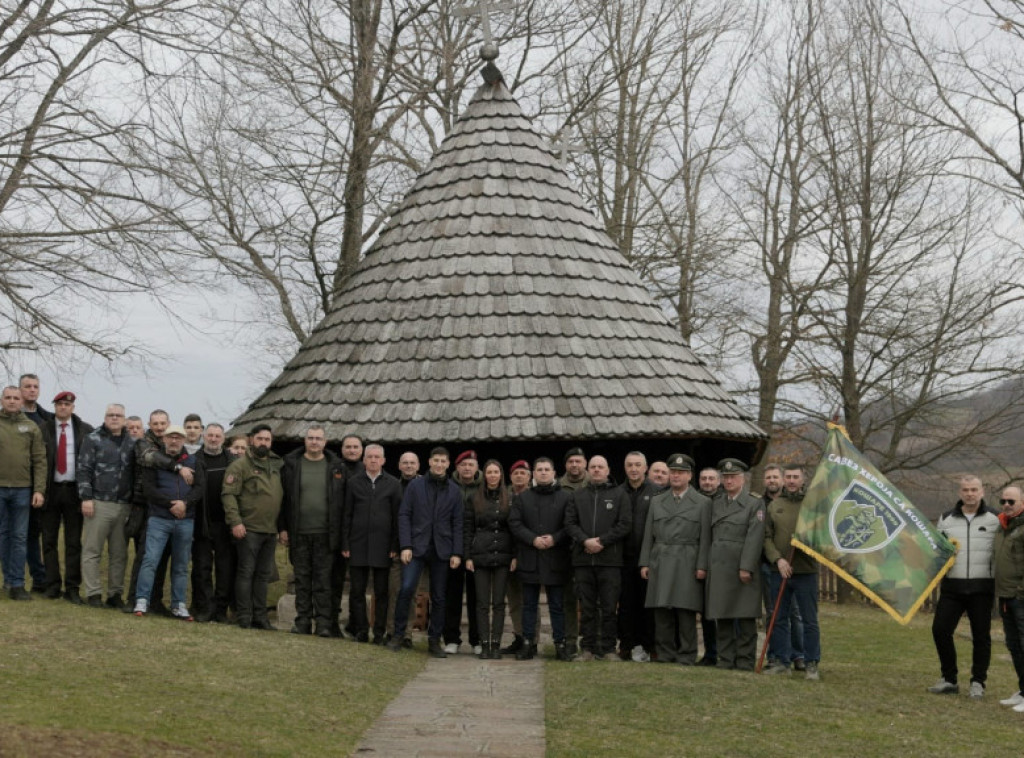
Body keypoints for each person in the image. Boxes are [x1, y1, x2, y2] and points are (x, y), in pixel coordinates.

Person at [387, 447, 463, 658]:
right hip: (417, 548)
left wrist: (457, 552)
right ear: (429, 462)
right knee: (406, 589)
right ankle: (399, 634)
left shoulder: (454, 490)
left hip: (442, 550)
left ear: (448, 464)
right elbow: (404, 515)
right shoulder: (415, 486)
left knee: (439, 596)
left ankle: (434, 640)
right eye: (436, 460)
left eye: (443, 461)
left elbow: (457, 523)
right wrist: (406, 546)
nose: (439, 464)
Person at [927, 475, 998, 698]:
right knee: (940, 630)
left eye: (974, 489)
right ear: (960, 493)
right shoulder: (946, 518)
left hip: (982, 587)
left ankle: (978, 682)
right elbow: (936, 549)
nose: (970, 493)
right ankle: (949, 679)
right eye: (965, 490)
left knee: (981, 636)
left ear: (982, 491)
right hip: (952, 587)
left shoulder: (995, 518)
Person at [639, 453, 709, 665]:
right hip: (660, 557)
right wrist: (644, 562)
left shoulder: (703, 502)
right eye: (673, 472)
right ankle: (665, 652)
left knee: (685, 609)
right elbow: (648, 533)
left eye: (681, 473)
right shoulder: (658, 501)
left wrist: (702, 565)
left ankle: (687, 653)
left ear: (689, 476)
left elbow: (706, 537)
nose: (676, 476)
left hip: (688, 559)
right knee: (661, 609)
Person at [124, 409, 193, 615]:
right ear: (150, 425)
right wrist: (177, 467)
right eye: (156, 424)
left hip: (164, 508)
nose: (160, 427)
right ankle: (134, 599)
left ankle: (155, 600)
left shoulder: (173, 446)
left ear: (169, 424)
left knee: (163, 556)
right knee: (145, 556)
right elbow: (151, 458)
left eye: (163, 423)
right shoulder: (143, 443)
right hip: (144, 505)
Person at [565, 455, 631, 661]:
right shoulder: (578, 495)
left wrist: (601, 541)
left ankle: (609, 648)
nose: (596, 470)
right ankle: (588, 648)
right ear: (587, 469)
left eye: (600, 467)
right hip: (583, 560)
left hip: (610, 560)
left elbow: (624, 524)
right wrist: (585, 541)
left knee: (610, 607)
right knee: (587, 607)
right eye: (592, 467)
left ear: (608, 470)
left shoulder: (620, 494)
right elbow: (570, 523)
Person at [281, 425, 345, 636]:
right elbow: (284, 499)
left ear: (325, 442)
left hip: (326, 534)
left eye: (318, 438)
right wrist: (283, 528)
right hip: (300, 533)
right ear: (305, 441)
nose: (314, 442)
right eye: (311, 438)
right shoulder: (292, 465)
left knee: (323, 581)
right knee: (302, 580)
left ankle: (324, 623)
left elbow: (343, 503)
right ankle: (303, 622)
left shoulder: (335, 466)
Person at [509, 457, 572, 661]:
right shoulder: (522, 498)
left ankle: (560, 644)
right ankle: (528, 643)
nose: (543, 472)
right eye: (539, 469)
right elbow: (515, 524)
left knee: (556, 605)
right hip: (530, 557)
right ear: (533, 474)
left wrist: (555, 538)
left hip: (556, 558)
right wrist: (532, 539)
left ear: (554, 473)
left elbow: (570, 525)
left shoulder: (565, 498)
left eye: (547, 469)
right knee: (528, 605)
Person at [222, 424, 285, 630]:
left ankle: (261, 617)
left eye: (267, 440)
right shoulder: (240, 466)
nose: (263, 443)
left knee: (263, 575)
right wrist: (236, 521)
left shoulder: (276, 465)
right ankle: (244, 616)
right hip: (248, 529)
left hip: (269, 530)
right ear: (251, 440)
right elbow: (229, 495)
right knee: (246, 572)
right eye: (260, 439)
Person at [763, 465, 821, 680]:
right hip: (779, 570)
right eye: (788, 477)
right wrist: (777, 559)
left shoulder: (813, 506)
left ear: (803, 479)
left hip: (806, 571)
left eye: (796, 477)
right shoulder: (775, 505)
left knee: (809, 620)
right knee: (778, 617)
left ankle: (812, 662)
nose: (791, 480)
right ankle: (781, 660)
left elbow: (822, 537)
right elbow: (766, 536)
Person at [706, 459, 764, 671]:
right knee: (723, 615)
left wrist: (746, 566)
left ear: (743, 479)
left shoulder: (754, 503)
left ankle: (745, 660)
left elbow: (754, 537)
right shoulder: (717, 502)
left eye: (733, 477)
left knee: (745, 615)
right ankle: (726, 659)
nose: (729, 480)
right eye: (726, 477)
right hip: (720, 566)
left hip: (741, 566)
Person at [342, 443, 401, 643]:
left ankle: (379, 632)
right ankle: (360, 629)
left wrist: (395, 545)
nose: (374, 460)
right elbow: (346, 515)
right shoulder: (353, 482)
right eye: (370, 457)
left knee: (381, 593)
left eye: (377, 457)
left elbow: (397, 517)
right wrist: (345, 544)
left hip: (383, 547)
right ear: (364, 460)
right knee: (357, 591)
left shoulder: (393, 484)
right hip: (357, 544)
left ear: (383, 460)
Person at [77, 404, 131, 609]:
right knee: (92, 550)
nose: (115, 418)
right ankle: (93, 593)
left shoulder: (132, 442)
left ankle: (115, 594)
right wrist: (86, 497)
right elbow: (84, 469)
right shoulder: (93, 439)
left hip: (123, 504)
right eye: (111, 415)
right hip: (98, 503)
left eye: (119, 415)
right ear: (105, 417)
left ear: (124, 419)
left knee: (119, 553)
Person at [40, 391, 93, 603]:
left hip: (74, 491)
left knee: (73, 542)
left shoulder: (85, 430)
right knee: (49, 540)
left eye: (67, 404)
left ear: (73, 407)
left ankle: (72, 587)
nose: (63, 407)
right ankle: (52, 585)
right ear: (54, 406)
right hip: (50, 489)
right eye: (60, 404)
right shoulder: (43, 429)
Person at [464, 459, 515, 658]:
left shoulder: (509, 498)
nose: (492, 475)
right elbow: (468, 529)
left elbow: (514, 529)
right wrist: (468, 555)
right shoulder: (474, 499)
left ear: (501, 475)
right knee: (482, 603)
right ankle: (484, 643)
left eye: (496, 472)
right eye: (489, 472)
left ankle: (496, 643)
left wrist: (514, 556)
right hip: (480, 555)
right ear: (484, 475)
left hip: (503, 554)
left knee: (499, 603)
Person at [0, 385, 47, 599]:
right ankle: (6, 581)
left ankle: (17, 584)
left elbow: (39, 460)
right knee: (3, 536)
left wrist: (38, 490)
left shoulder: (31, 427)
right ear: (2, 400)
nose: (11, 401)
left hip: (22, 490)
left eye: (15, 398)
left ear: (21, 401)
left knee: (20, 538)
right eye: (7, 397)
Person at [191, 423, 235, 622]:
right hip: (202, 522)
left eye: (218, 436)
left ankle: (220, 610)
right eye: (210, 435)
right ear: (204, 436)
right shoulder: (194, 460)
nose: (214, 439)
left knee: (225, 570)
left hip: (226, 523)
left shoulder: (232, 461)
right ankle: (204, 608)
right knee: (202, 569)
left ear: (223, 438)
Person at [617, 451, 658, 662]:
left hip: (647, 559)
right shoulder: (617, 492)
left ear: (645, 468)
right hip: (622, 558)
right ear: (625, 468)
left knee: (647, 605)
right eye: (630, 465)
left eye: (637, 465)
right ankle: (626, 645)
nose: (633, 469)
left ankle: (650, 646)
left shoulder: (657, 492)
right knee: (626, 605)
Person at [445, 449, 482, 655]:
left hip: (477, 551)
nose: (467, 468)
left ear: (477, 468)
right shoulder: (448, 487)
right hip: (452, 550)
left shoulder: (485, 488)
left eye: (471, 465)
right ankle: (452, 638)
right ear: (457, 467)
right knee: (452, 595)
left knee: (477, 597)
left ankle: (476, 640)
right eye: (463, 465)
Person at [17, 374, 51, 593]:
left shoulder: (46, 419)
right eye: (27, 386)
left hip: (42, 485)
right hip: (15, 483)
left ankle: (40, 578)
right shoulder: (8, 417)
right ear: (19, 390)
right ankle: (15, 579)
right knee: (15, 533)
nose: (32, 390)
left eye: (35, 386)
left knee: (37, 534)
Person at [993, 486, 1024, 710]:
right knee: (1013, 645)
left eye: (1011, 501)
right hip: (1005, 596)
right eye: (1004, 500)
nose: (1006, 504)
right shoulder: (1002, 527)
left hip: (1020, 597)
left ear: (1021, 502)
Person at [386, 451, 420, 648]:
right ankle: (392, 631)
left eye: (412, 463)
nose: (408, 466)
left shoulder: (423, 487)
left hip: (416, 549)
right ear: (399, 466)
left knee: (411, 593)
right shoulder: (393, 487)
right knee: (395, 591)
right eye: (405, 463)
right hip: (395, 548)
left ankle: (407, 633)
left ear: (418, 465)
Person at [558, 447, 589, 656]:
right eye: (571, 462)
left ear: (584, 463)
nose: (574, 465)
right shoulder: (558, 487)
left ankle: (590, 640)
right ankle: (570, 639)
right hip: (565, 549)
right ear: (566, 465)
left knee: (590, 598)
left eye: (578, 461)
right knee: (568, 598)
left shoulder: (596, 484)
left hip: (591, 548)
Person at [500, 459, 532, 656]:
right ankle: (519, 637)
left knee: (529, 600)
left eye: (523, 473)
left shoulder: (535, 496)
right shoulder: (505, 497)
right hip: (507, 553)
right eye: (516, 473)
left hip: (528, 553)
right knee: (513, 600)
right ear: (510, 477)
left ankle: (531, 639)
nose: (519, 476)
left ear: (529, 476)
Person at [695, 465, 722, 665]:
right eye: (704, 479)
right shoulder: (695, 501)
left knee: (727, 610)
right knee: (705, 611)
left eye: (711, 479)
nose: (707, 482)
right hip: (700, 561)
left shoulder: (725, 501)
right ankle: (711, 653)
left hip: (723, 562)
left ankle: (730, 652)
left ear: (718, 481)